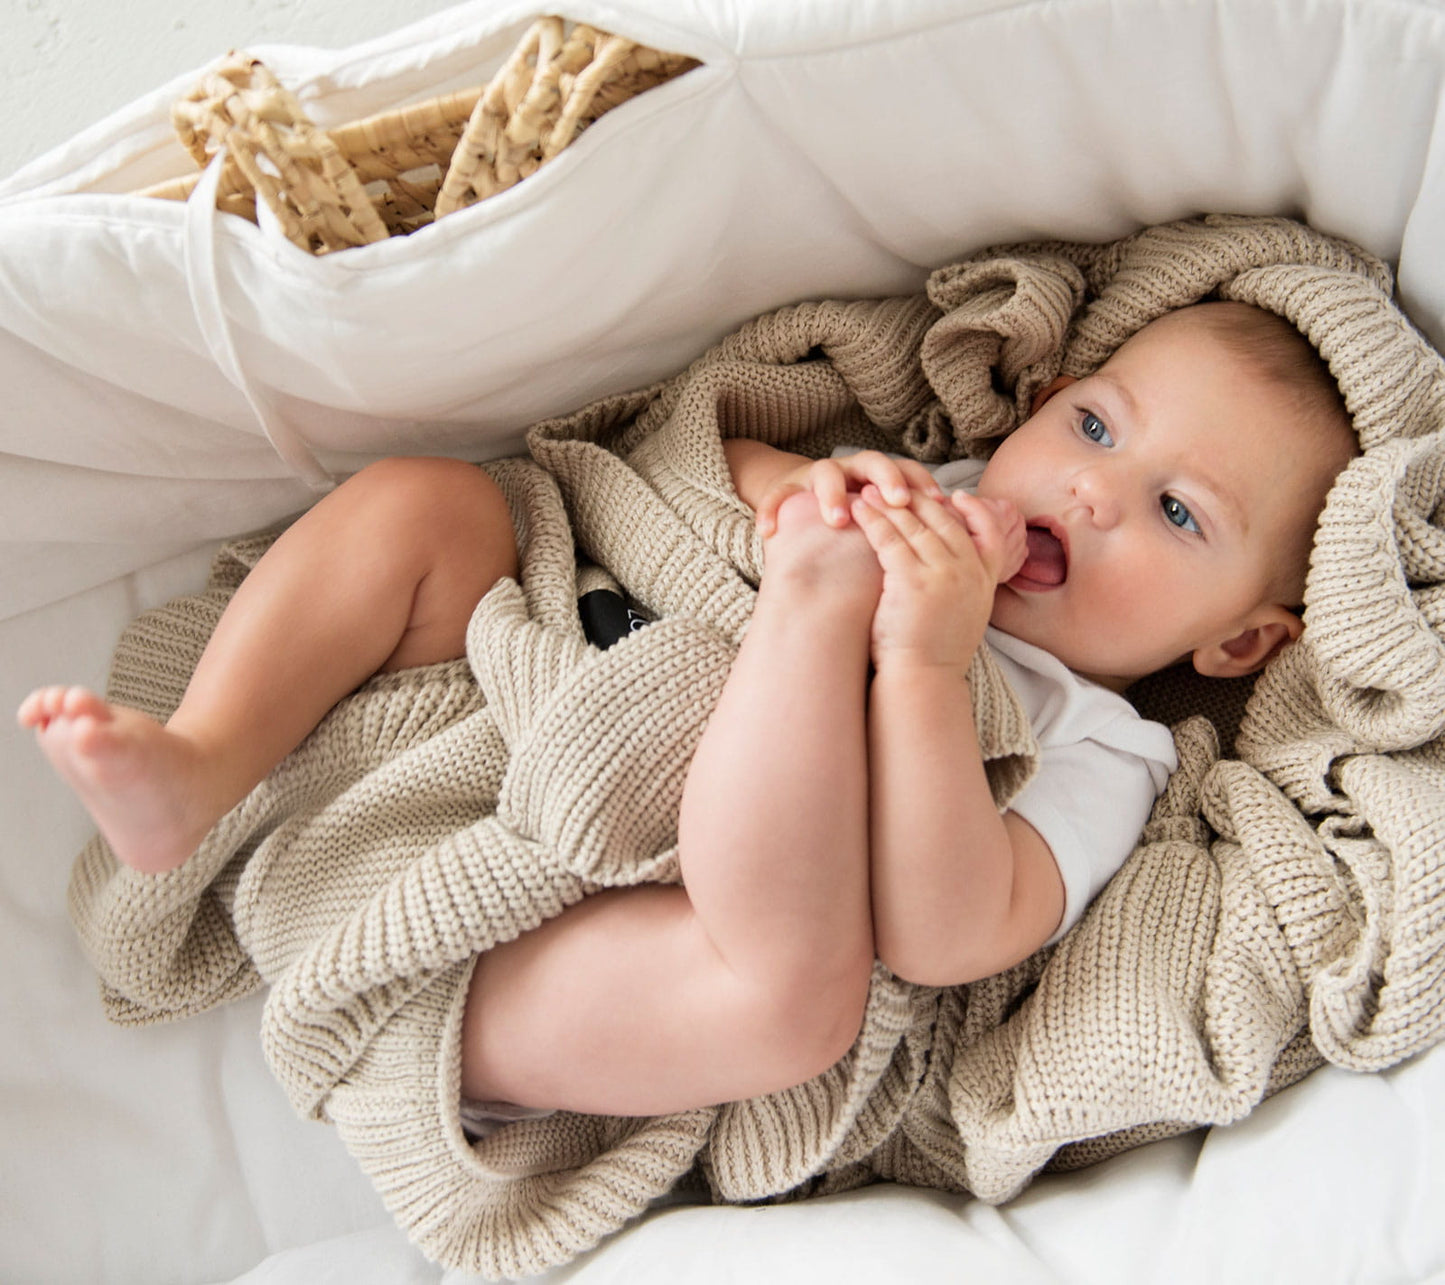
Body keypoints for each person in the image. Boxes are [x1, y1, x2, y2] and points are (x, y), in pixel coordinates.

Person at [17, 300, 1356, 1124]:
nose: (1092, 497)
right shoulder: (919, 484)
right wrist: (792, 493)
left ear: (1235, 640)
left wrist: (930, 669)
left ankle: (805, 621)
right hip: (468, 727)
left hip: (515, 960)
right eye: (1095, 428)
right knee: (437, 501)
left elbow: (950, 925)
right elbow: (664, 485)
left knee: (791, 1003)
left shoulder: (1099, 745)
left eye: (1177, 515)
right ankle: (205, 758)